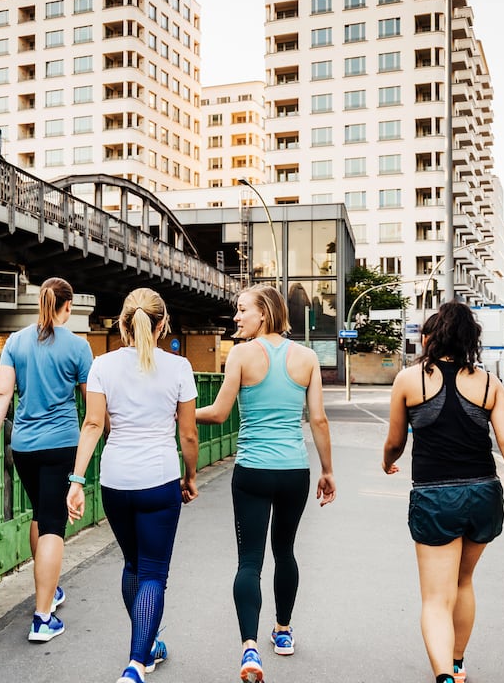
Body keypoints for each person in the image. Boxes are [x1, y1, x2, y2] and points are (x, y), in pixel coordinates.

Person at [381, 302, 504, 683]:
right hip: (484, 494)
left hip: (436, 497)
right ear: (472, 340)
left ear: (429, 339)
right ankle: (455, 662)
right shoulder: (490, 384)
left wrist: (386, 460)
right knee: (463, 582)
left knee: (436, 599)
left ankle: (445, 677)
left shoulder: (409, 380)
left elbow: (394, 441)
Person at [195, 284, 337, 683]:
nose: (236, 317)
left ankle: (249, 648)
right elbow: (319, 421)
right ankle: (284, 631)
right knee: (286, 550)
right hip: (295, 471)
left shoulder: (241, 355)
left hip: (253, 470)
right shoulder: (307, 357)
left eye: (242, 310)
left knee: (249, 561)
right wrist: (327, 470)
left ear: (265, 313)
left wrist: (181, 410)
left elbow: (220, 413)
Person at [66, 288, 200, 683]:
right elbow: (188, 435)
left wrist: (76, 481)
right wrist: (190, 476)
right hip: (159, 480)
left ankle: (148, 645)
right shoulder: (179, 367)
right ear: (163, 325)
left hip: (115, 481)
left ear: (123, 324)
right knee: (155, 574)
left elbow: (92, 425)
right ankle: (136, 664)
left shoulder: (102, 365)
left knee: (132, 566)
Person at [0, 277, 93, 643]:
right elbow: (92, 406)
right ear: (68, 305)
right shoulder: (78, 347)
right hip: (61, 445)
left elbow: (2, 394)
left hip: (23, 447)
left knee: (41, 515)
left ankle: (49, 590)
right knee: (54, 526)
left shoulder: (15, 341)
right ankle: (43, 617)